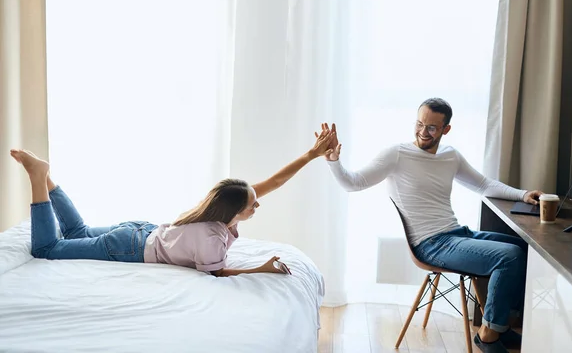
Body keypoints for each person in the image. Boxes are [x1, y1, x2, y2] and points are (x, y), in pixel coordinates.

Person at [319, 98, 543, 353]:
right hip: (430, 244)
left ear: (446, 129)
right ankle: (489, 334)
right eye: (419, 124)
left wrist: (522, 194)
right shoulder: (397, 154)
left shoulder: (450, 156)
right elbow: (354, 183)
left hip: (456, 234)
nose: (423, 132)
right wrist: (334, 161)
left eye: (432, 128)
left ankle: (501, 325)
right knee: (509, 256)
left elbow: (482, 184)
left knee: (520, 247)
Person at [10, 128, 335, 277]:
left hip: (136, 232)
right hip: (130, 247)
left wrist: (312, 154)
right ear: (235, 211)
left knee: (77, 231)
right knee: (46, 249)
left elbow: (274, 182)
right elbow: (218, 274)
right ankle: (40, 179)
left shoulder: (215, 208)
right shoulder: (212, 237)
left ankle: (47, 178)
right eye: (252, 205)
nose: (257, 206)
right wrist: (261, 268)